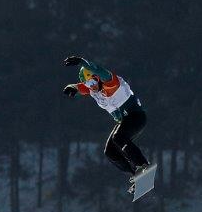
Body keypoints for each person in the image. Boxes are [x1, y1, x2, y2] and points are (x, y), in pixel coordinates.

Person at [62, 55, 150, 193]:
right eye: (88, 85)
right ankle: (138, 177)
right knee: (110, 152)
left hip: (136, 116)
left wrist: (82, 62)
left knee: (118, 138)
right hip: (124, 121)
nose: (91, 87)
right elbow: (80, 87)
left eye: (92, 83)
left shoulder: (111, 82)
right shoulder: (92, 89)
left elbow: (99, 70)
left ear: (97, 78)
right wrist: (72, 88)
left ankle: (143, 167)